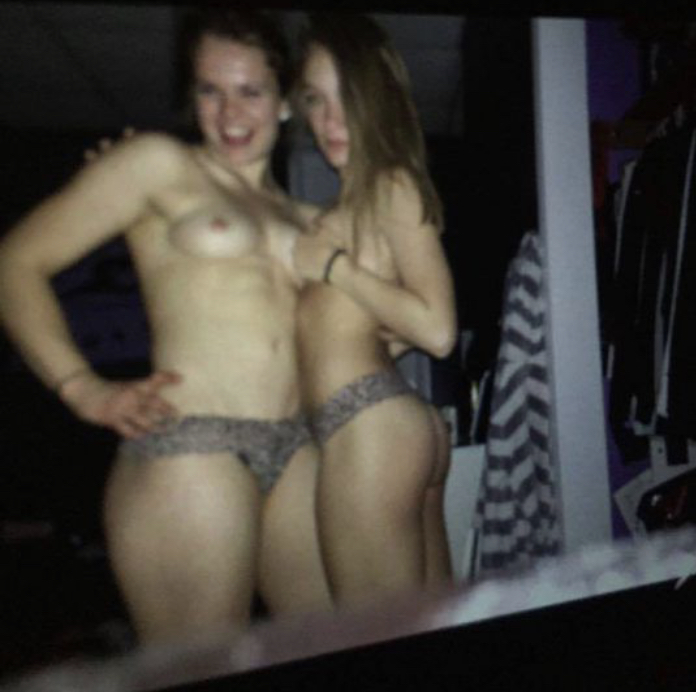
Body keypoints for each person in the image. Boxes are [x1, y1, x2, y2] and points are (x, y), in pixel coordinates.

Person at [0, 9, 331, 644]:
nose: (229, 114)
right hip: (193, 448)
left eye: (250, 91)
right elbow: (17, 262)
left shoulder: (311, 217)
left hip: (297, 447)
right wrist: (81, 387)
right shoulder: (158, 164)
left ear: (286, 100)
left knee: (330, 644)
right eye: (210, 91)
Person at [292, 14, 458, 606]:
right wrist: (381, 336)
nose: (329, 120)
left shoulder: (390, 185)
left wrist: (335, 269)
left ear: (378, 99)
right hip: (392, 421)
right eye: (316, 99)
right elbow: (407, 316)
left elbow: (439, 330)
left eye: (347, 97)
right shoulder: (357, 202)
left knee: (371, 638)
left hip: (367, 428)